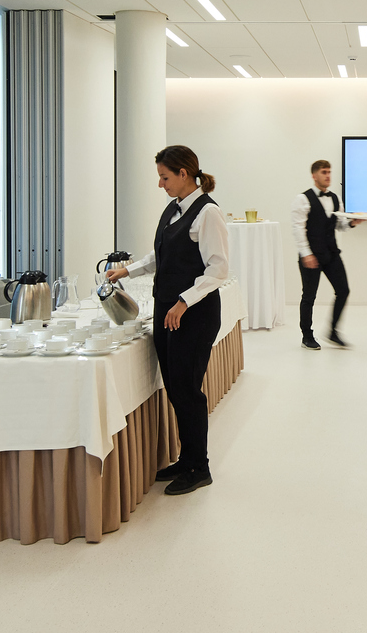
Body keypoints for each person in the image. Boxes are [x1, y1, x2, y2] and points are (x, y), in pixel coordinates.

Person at [105, 145, 228, 496]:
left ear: (183, 174)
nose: (161, 184)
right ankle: (186, 459)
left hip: (194, 314)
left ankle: (199, 467)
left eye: (164, 177)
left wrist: (184, 301)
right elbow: (161, 254)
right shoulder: (174, 208)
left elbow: (218, 269)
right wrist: (128, 270)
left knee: (187, 390)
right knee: (175, 388)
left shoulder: (208, 213)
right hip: (167, 310)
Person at [291, 159, 363, 351]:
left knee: (343, 290)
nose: (328, 175)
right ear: (314, 175)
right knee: (309, 296)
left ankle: (333, 332)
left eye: (329, 172)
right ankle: (307, 336)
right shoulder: (302, 199)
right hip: (311, 255)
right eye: (324, 172)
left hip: (331, 253)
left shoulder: (335, 198)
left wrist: (353, 222)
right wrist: (306, 254)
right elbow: (298, 229)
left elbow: (340, 225)